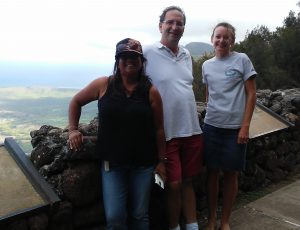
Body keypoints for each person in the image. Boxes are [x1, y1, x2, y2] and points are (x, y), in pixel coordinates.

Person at [68, 38, 166, 230]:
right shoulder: (103, 85)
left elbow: (159, 128)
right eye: (124, 57)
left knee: (139, 215)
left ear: (141, 62)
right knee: (114, 217)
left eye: (135, 57)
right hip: (111, 163)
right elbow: (76, 102)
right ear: (117, 61)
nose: (130, 61)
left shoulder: (150, 91)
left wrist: (162, 161)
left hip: (143, 163)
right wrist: (73, 129)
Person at [143, 6, 204, 230]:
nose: (174, 27)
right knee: (174, 184)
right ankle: (173, 227)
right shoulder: (148, 52)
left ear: (183, 28)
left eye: (179, 23)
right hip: (166, 132)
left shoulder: (186, 54)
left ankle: (192, 225)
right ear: (160, 25)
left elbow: (184, 87)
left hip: (192, 128)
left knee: (188, 181)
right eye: (170, 22)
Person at [202, 22, 257, 230]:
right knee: (212, 173)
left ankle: (225, 221)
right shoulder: (207, 65)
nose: (221, 40)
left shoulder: (241, 59)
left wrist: (245, 126)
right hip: (211, 127)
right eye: (218, 36)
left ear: (232, 41)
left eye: (226, 37)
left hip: (235, 128)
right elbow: (208, 93)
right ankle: (211, 220)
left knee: (231, 174)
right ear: (212, 39)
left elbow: (252, 93)